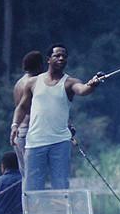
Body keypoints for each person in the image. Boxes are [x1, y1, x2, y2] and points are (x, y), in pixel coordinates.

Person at [10, 44, 102, 191]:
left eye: (64, 56)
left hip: (60, 142)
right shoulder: (33, 82)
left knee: (61, 186)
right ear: (48, 59)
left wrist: (93, 83)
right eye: (57, 55)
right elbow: (21, 107)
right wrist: (15, 126)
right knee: (32, 187)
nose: (61, 58)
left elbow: (83, 90)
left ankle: (61, 213)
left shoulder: (70, 82)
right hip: (35, 142)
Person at [12, 50, 44, 176]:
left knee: (25, 174)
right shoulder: (34, 83)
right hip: (31, 132)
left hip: (19, 133)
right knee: (35, 175)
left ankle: (25, 196)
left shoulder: (18, 83)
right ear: (40, 65)